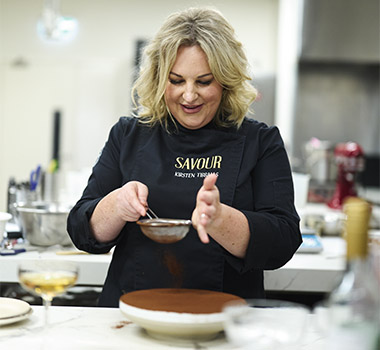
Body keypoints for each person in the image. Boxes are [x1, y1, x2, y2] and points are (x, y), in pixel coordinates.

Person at [67, 7, 302, 307]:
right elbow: (79, 229)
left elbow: (283, 241)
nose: (189, 96)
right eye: (176, 81)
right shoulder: (128, 135)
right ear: (159, 78)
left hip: (224, 321)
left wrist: (220, 220)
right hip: (130, 318)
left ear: (226, 80)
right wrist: (116, 205)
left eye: (203, 81)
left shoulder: (261, 141)